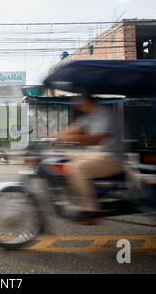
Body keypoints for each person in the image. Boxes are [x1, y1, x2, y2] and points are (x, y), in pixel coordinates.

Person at [55, 93, 124, 224]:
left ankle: (90, 210)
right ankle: (70, 196)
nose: (76, 104)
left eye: (78, 100)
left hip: (111, 157)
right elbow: (73, 130)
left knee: (75, 167)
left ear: (86, 101)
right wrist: (57, 136)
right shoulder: (88, 117)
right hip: (95, 154)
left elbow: (96, 140)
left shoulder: (106, 114)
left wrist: (70, 138)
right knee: (61, 157)